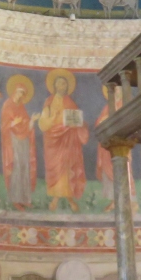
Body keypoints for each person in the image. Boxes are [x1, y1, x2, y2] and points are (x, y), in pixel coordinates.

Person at [38, 69, 88, 211]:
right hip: (53, 141)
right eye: (60, 83)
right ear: (54, 85)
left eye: (64, 84)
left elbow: (77, 120)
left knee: (67, 169)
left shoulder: (70, 102)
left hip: (68, 140)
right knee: (57, 169)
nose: (62, 86)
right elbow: (43, 123)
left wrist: (80, 124)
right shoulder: (49, 101)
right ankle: (56, 198)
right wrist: (53, 118)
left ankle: (68, 199)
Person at [1, 75, 37, 208]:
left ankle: (25, 198)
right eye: (19, 92)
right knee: (16, 167)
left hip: (24, 140)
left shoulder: (21, 106)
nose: (21, 95)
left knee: (24, 166)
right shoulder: (7, 105)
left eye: (23, 93)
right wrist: (13, 123)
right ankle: (16, 199)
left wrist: (32, 121)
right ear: (14, 91)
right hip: (13, 140)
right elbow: (4, 126)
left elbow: (27, 124)